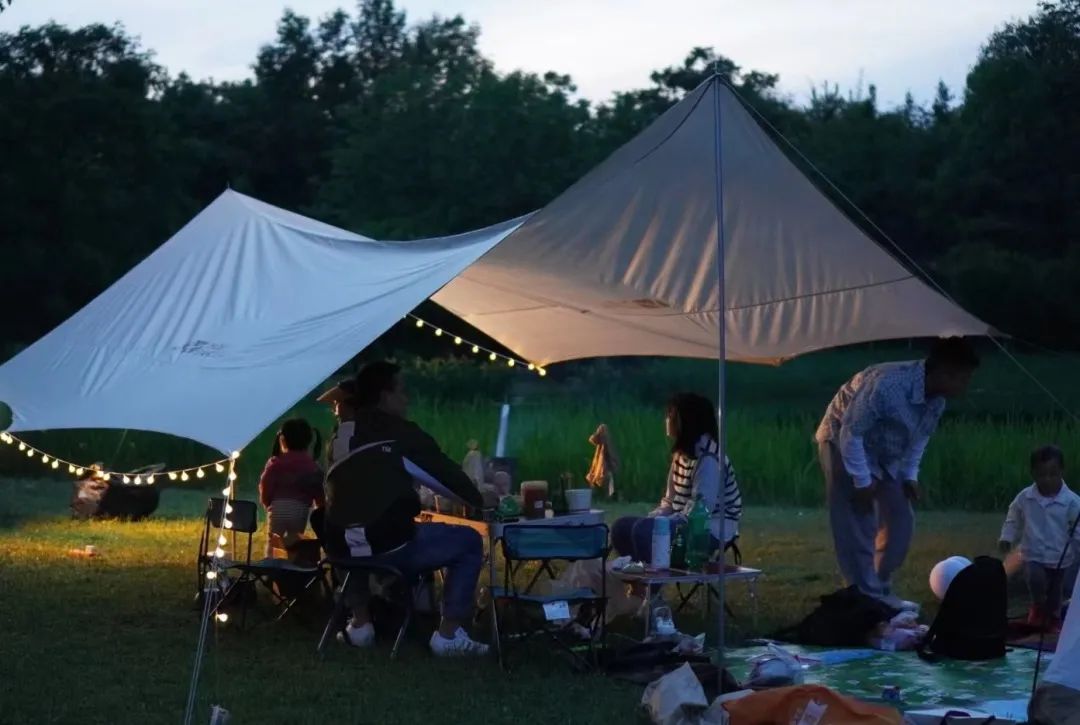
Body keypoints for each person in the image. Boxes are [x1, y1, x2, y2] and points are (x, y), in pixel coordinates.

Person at [323, 360, 492, 657]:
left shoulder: (340, 435)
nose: (408, 398)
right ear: (385, 396)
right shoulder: (400, 433)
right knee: (468, 541)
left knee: (353, 525)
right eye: (402, 391)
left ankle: (361, 625)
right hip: (389, 544)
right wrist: (480, 498)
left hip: (340, 547)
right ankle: (449, 635)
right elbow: (449, 482)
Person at [815, 337, 980, 609]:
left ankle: (879, 588)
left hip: (884, 453)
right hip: (843, 442)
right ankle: (865, 596)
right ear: (943, 372)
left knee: (900, 519)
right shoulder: (888, 384)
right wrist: (861, 480)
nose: (965, 386)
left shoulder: (937, 401)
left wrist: (910, 476)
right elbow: (851, 432)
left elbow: (919, 439)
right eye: (963, 378)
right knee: (860, 519)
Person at [611, 392, 742, 562]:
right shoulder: (683, 454)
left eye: (670, 414)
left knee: (643, 530)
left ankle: (652, 585)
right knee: (621, 528)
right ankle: (637, 581)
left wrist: (658, 525)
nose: (666, 419)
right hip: (681, 520)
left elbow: (699, 513)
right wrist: (655, 518)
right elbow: (670, 501)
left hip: (709, 529)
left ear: (685, 421)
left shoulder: (709, 459)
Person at [999, 445, 1080, 631]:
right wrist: (1006, 537)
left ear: (1062, 472)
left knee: (1055, 590)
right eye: (1042, 475)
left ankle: (1053, 617)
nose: (1047, 479)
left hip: (1060, 556)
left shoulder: (1072, 501)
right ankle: (1037, 607)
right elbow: (1013, 517)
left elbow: (1077, 528)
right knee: (1035, 579)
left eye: (1053, 474)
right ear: (1033, 474)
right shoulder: (1025, 497)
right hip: (1033, 553)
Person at [257, 418, 324, 557]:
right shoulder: (312, 466)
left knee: (273, 541)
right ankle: (292, 568)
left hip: (278, 507)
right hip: (300, 509)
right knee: (295, 541)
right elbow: (317, 489)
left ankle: (272, 568)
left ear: (283, 440)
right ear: (308, 441)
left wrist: (267, 502)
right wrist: (320, 506)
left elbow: (266, 484)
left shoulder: (276, 463)